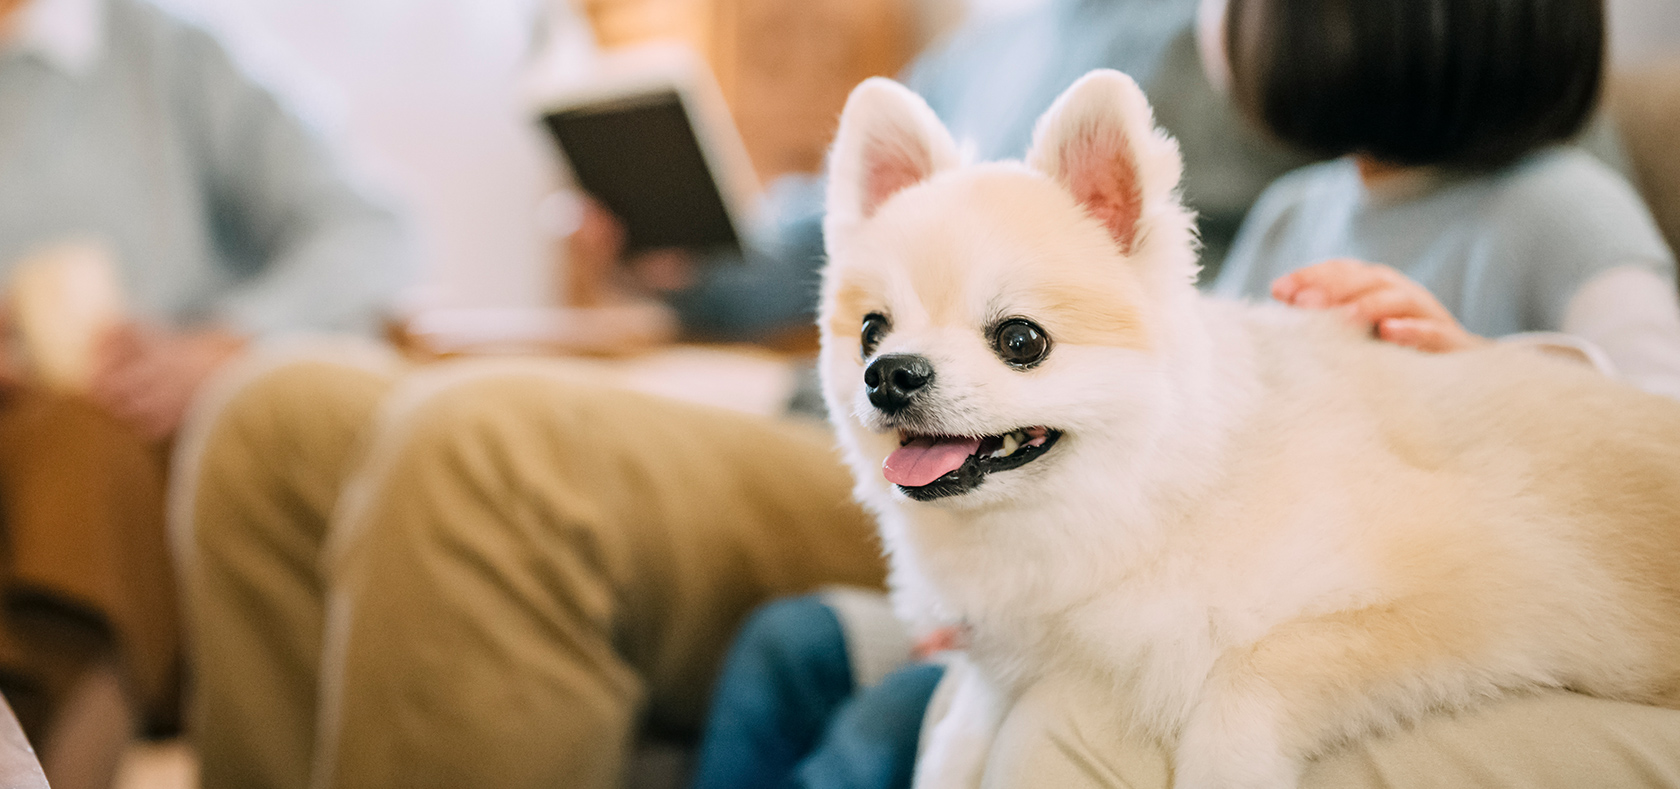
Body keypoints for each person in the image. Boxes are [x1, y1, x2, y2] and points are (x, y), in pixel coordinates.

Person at [173, 3, 1306, 789]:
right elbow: (831, 239)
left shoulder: (1241, 46)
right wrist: (688, 258)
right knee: (277, 414)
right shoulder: (990, 45)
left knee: (484, 447)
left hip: (1038, 486)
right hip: (833, 413)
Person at [697, 0, 1680, 786]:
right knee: (794, 645)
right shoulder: (1303, 206)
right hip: (1041, 585)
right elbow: (1179, 377)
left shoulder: (1557, 203)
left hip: (1352, 562)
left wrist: (1482, 354)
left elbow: (1652, 402)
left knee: (899, 727)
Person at [0, 0, 410, 771]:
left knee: (81, 442)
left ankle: (62, 756)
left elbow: (367, 231)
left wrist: (224, 339)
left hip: (108, 426)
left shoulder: (176, 59)